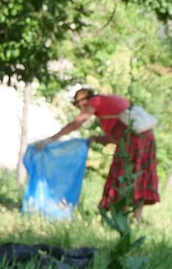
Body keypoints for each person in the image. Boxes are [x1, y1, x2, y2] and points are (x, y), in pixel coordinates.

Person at [38, 87, 160, 223]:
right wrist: (96, 138)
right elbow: (115, 137)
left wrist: (50, 140)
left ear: (83, 101)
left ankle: (123, 217)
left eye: (78, 105)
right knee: (138, 175)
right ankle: (133, 218)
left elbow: (77, 123)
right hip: (145, 140)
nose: (80, 108)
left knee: (123, 174)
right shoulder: (109, 104)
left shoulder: (96, 101)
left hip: (132, 141)